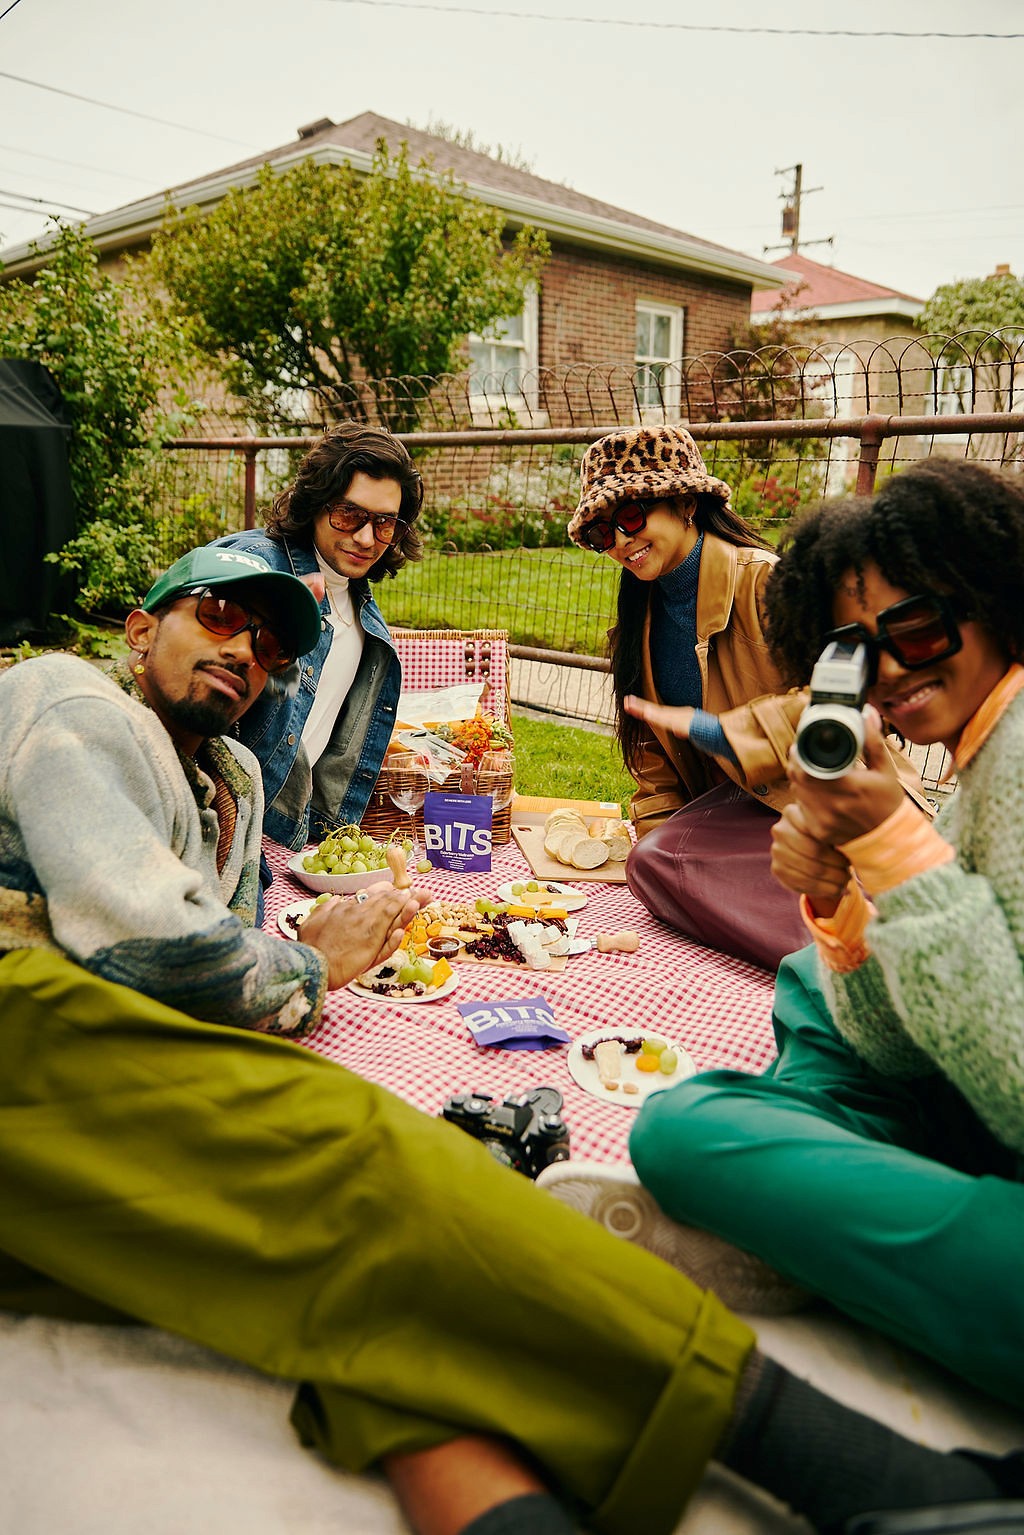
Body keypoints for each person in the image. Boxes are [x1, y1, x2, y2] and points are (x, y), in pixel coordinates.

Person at [2, 545, 1020, 1535]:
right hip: (32, 1018)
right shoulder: (75, 700)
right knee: (359, 1151)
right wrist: (311, 968)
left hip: (77, 1129)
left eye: (268, 642)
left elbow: (206, 975)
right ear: (140, 628)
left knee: (369, 1284)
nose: (247, 649)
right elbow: (162, 954)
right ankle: (865, 1466)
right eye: (220, 616)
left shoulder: (225, 773)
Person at [542, 459, 1024, 1417]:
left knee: (685, 1132)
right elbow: (888, 1041)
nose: (890, 669)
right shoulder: (984, 751)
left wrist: (891, 845)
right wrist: (847, 904)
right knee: (810, 977)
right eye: (853, 651)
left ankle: (796, 1214)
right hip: (953, 1084)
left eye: (918, 627)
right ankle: (809, 1202)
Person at [567, 425, 813, 970]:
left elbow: (847, 700)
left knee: (671, 864)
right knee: (650, 862)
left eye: (631, 518)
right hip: (738, 814)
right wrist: (669, 852)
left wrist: (719, 733)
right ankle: (809, 921)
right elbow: (655, 763)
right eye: (603, 533)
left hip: (815, 797)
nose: (621, 543)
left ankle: (833, 952)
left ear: (684, 503)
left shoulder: (767, 583)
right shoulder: (641, 618)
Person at [208, 422, 424, 851]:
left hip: (288, 838)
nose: (365, 538)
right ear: (315, 502)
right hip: (223, 830)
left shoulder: (362, 610)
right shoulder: (255, 574)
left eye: (385, 524)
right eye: (349, 514)